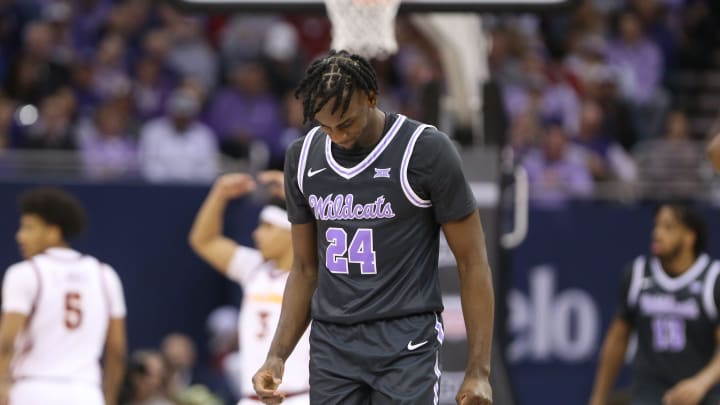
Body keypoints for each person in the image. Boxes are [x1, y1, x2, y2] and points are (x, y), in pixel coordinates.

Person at [252, 50, 495, 405]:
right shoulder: (301, 158)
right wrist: (277, 355)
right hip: (332, 343)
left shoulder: (424, 150)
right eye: (325, 126)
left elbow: (473, 263)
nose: (338, 136)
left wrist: (478, 371)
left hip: (405, 338)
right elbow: (304, 268)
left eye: (346, 123)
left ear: (371, 97)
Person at [189, 171, 310, 405]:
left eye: (266, 227)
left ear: (289, 231)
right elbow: (204, 241)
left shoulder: (316, 274)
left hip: (299, 396)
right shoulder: (254, 268)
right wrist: (219, 194)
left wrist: (295, 194)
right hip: (250, 397)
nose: (256, 234)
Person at [0, 187, 127, 405]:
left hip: (33, 389)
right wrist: (109, 398)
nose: (20, 236)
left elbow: (7, 342)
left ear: (53, 232)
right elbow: (117, 350)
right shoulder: (105, 275)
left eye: (29, 228)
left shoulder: (24, 273)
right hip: (87, 392)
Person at [589, 203, 720, 405]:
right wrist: (598, 398)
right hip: (649, 394)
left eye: (668, 227)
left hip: (701, 395)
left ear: (689, 237)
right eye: (656, 225)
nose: (657, 233)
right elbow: (617, 339)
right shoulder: (638, 274)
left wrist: (701, 383)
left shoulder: (712, 279)